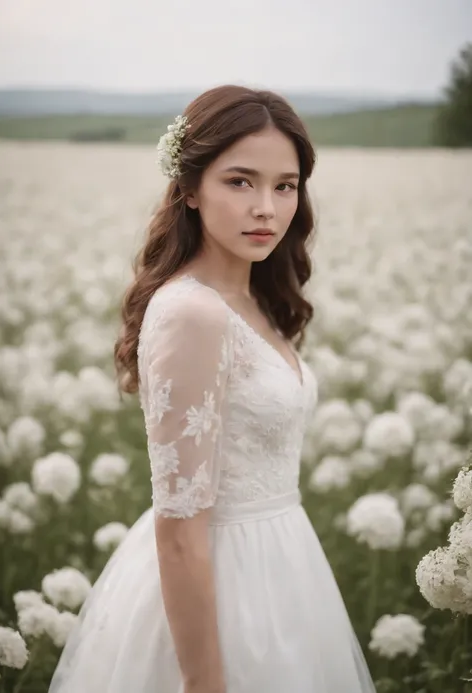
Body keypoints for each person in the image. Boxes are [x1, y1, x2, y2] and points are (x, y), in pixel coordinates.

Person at [49, 84, 376, 693]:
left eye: (285, 185)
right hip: (222, 584)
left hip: (284, 565)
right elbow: (178, 530)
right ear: (190, 188)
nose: (267, 208)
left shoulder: (252, 299)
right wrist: (203, 681)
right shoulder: (193, 312)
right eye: (240, 181)